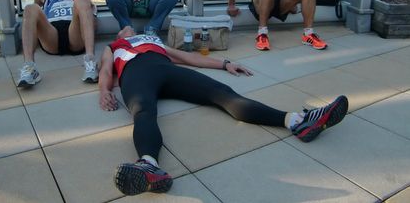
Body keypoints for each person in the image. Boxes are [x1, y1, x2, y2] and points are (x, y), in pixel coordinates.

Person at [98, 27, 348, 196]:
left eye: (130, 28)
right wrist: (104, 90)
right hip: (136, 73)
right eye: (124, 29)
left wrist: (225, 64)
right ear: (121, 34)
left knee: (223, 94)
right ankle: (148, 166)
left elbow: (188, 58)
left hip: (166, 69)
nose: (128, 29)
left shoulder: (153, 41)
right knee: (143, 112)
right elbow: (107, 70)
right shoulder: (114, 45)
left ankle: (298, 121)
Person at [16, 0, 98, 87]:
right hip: (51, 34)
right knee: (30, 8)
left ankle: (90, 61)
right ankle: (29, 67)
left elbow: (91, 13)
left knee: (82, 1)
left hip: (74, 31)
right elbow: (35, 20)